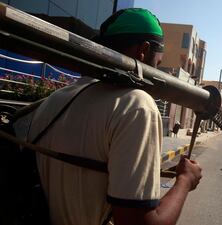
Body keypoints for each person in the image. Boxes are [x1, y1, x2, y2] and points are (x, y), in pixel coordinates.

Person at [26, 8, 202, 225]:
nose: (156, 72)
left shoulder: (53, 100)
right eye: (157, 64)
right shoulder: (137, 106)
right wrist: (185, 181)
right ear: (143, 51)